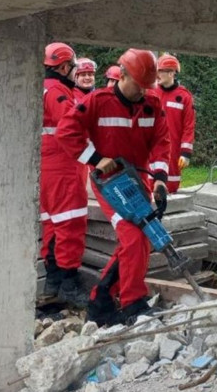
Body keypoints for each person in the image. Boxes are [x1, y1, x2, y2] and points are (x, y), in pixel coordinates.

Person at [56, 48, 171, 326]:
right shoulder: (98, 101)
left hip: (137, 182)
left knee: (142, 238)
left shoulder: (152, 103)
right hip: (110, 184)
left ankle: (101, 301)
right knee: (134, 238)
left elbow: (161, 142)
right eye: (139, 85)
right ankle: (132, 303)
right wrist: (96, 159)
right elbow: (65, 132)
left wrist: (160, 178)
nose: (142, 92)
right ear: (123, 75)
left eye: (147, 87)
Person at [39, 42, 90, 308]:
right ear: (62, 67)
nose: (75, 72)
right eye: (72, 67)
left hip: (48, 166)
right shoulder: (57, 91)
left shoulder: (43, 87)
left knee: (52, 223)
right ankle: (69, 283)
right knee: (70, 223)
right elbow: (71, 127)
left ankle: (53, 281)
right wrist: (96, 157)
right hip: (64, 166)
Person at [147, 54, 196, 193]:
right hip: (151, 146)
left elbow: (189, 126)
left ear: (171, 73)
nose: (157, 75)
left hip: (173, 150)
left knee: (170, 186)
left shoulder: (184, 97)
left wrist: (185, 153)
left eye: (160, 71)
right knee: (148, 183)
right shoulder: (151, 92)